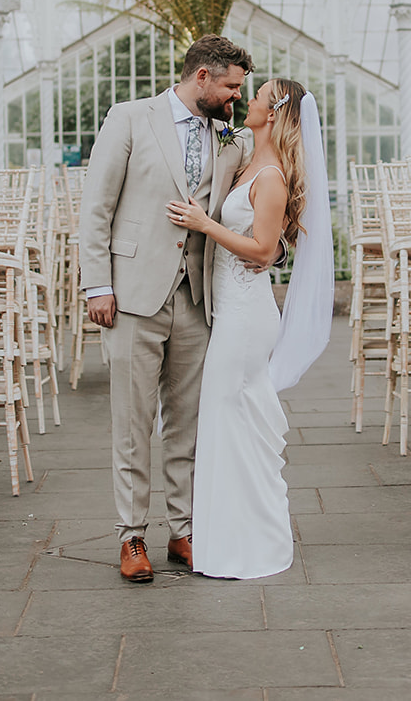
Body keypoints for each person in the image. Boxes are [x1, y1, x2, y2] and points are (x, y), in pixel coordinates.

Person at [80, 34, 255, 583]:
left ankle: (183, 530)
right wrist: (96, 287)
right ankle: (131, 537)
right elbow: (97, 208)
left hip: (196, 298)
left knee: (188, 425)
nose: (235, 100)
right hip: (132, 295)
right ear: (201, 76)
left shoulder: (229, 137)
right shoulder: (130, 118)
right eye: (229, 87)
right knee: (132, 424)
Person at [167, 77, 334, 579]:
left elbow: (263, 248)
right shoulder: (246, 160)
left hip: (246, 314)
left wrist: (205, 225)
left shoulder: (274, 176)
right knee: (226, 422)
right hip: (232, 310)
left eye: (257, 95)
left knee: (226, 417)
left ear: (274, 110)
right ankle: (230, 536)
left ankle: (253, 543)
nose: (247, 100)